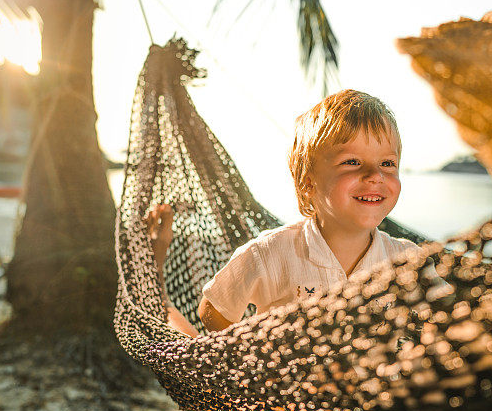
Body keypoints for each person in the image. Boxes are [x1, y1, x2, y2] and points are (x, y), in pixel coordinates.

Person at [146, 89, 427, 334]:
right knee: (188, 349)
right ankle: (156, 267)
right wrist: (254, 360)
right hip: (285, 393)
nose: (374, 175)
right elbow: (213, 310)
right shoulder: (271, 253)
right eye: (352, 161)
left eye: (388, 164)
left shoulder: (408, 260)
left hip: (371, 393)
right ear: (308, 183)